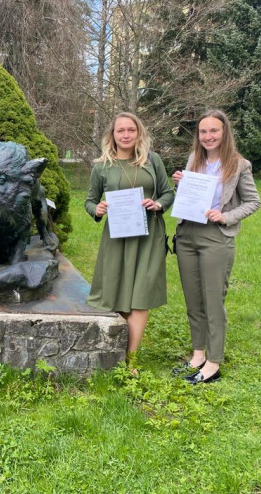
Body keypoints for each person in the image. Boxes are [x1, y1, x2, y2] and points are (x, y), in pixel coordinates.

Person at [172, 110, 260, 384]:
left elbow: (253, 201)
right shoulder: (194, 159)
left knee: (213, 300)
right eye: (203, 131)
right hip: (187, 234)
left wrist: (226, 216)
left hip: (216, 237)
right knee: (193, 299)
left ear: (224, 133)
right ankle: (198, 355)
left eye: (214, 131)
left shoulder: (239, 164)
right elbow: (191, 197)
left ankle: (213, 363)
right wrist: (180, 185)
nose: (208, 136)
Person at [85, 112, 175, 369]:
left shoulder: (152, 161)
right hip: (118, 237)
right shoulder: (102, 166)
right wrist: (97, 210)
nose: (126, 135)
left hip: (148, 235)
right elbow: (90, 200)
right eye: (120, 131)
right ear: (112, 135)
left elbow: (168, 193)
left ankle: (130, 361)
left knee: (140, 294)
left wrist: (158, 204)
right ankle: (115, 353)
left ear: (139, 133)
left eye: (131, 130)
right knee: (119, 290)